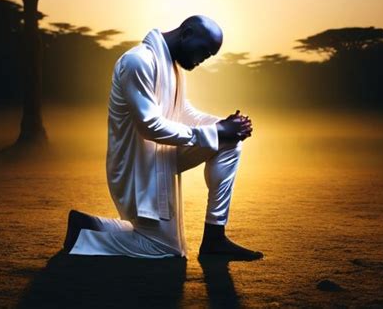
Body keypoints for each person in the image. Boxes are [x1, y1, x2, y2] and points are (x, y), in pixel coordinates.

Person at [62, 15, 263, 260]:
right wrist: (217, 130)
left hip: (162, 156)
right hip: (137, 167)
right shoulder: (137, 61)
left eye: (210, 55)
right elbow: (150, 125)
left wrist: (224, 125)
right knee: (167, 250)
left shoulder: (172, 66)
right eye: (204, 51)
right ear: (187, 33)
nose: (203, 60)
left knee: (230, 142)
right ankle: (86, 233)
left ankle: (214, 237)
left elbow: (183, 112)